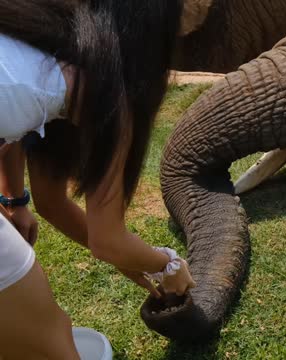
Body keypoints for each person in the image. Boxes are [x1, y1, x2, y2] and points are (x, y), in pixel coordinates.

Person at [0, 0, 196, 358]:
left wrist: (14, 200)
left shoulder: (45, 44)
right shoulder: (106, 89)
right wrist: (169, 264)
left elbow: (52, 202)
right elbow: (108, 240)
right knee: (52, 342)